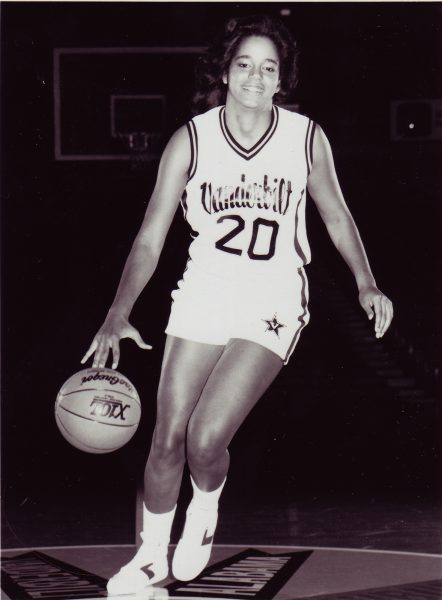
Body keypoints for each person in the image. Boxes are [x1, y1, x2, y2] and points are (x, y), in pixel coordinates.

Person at [81, 14, 393, 595]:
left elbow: (334, 214)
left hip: (272, 296)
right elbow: (150, 237)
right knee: (165, 437)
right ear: (225, 71)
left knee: (204, 441)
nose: (255, 75)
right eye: (244, 63)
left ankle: (205, 506)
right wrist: (117, 311)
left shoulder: (305, 137)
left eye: (268, 67)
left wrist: (365, 282)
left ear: (281, 80)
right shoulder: (191, 139)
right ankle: (150, 559)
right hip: (203, 290)